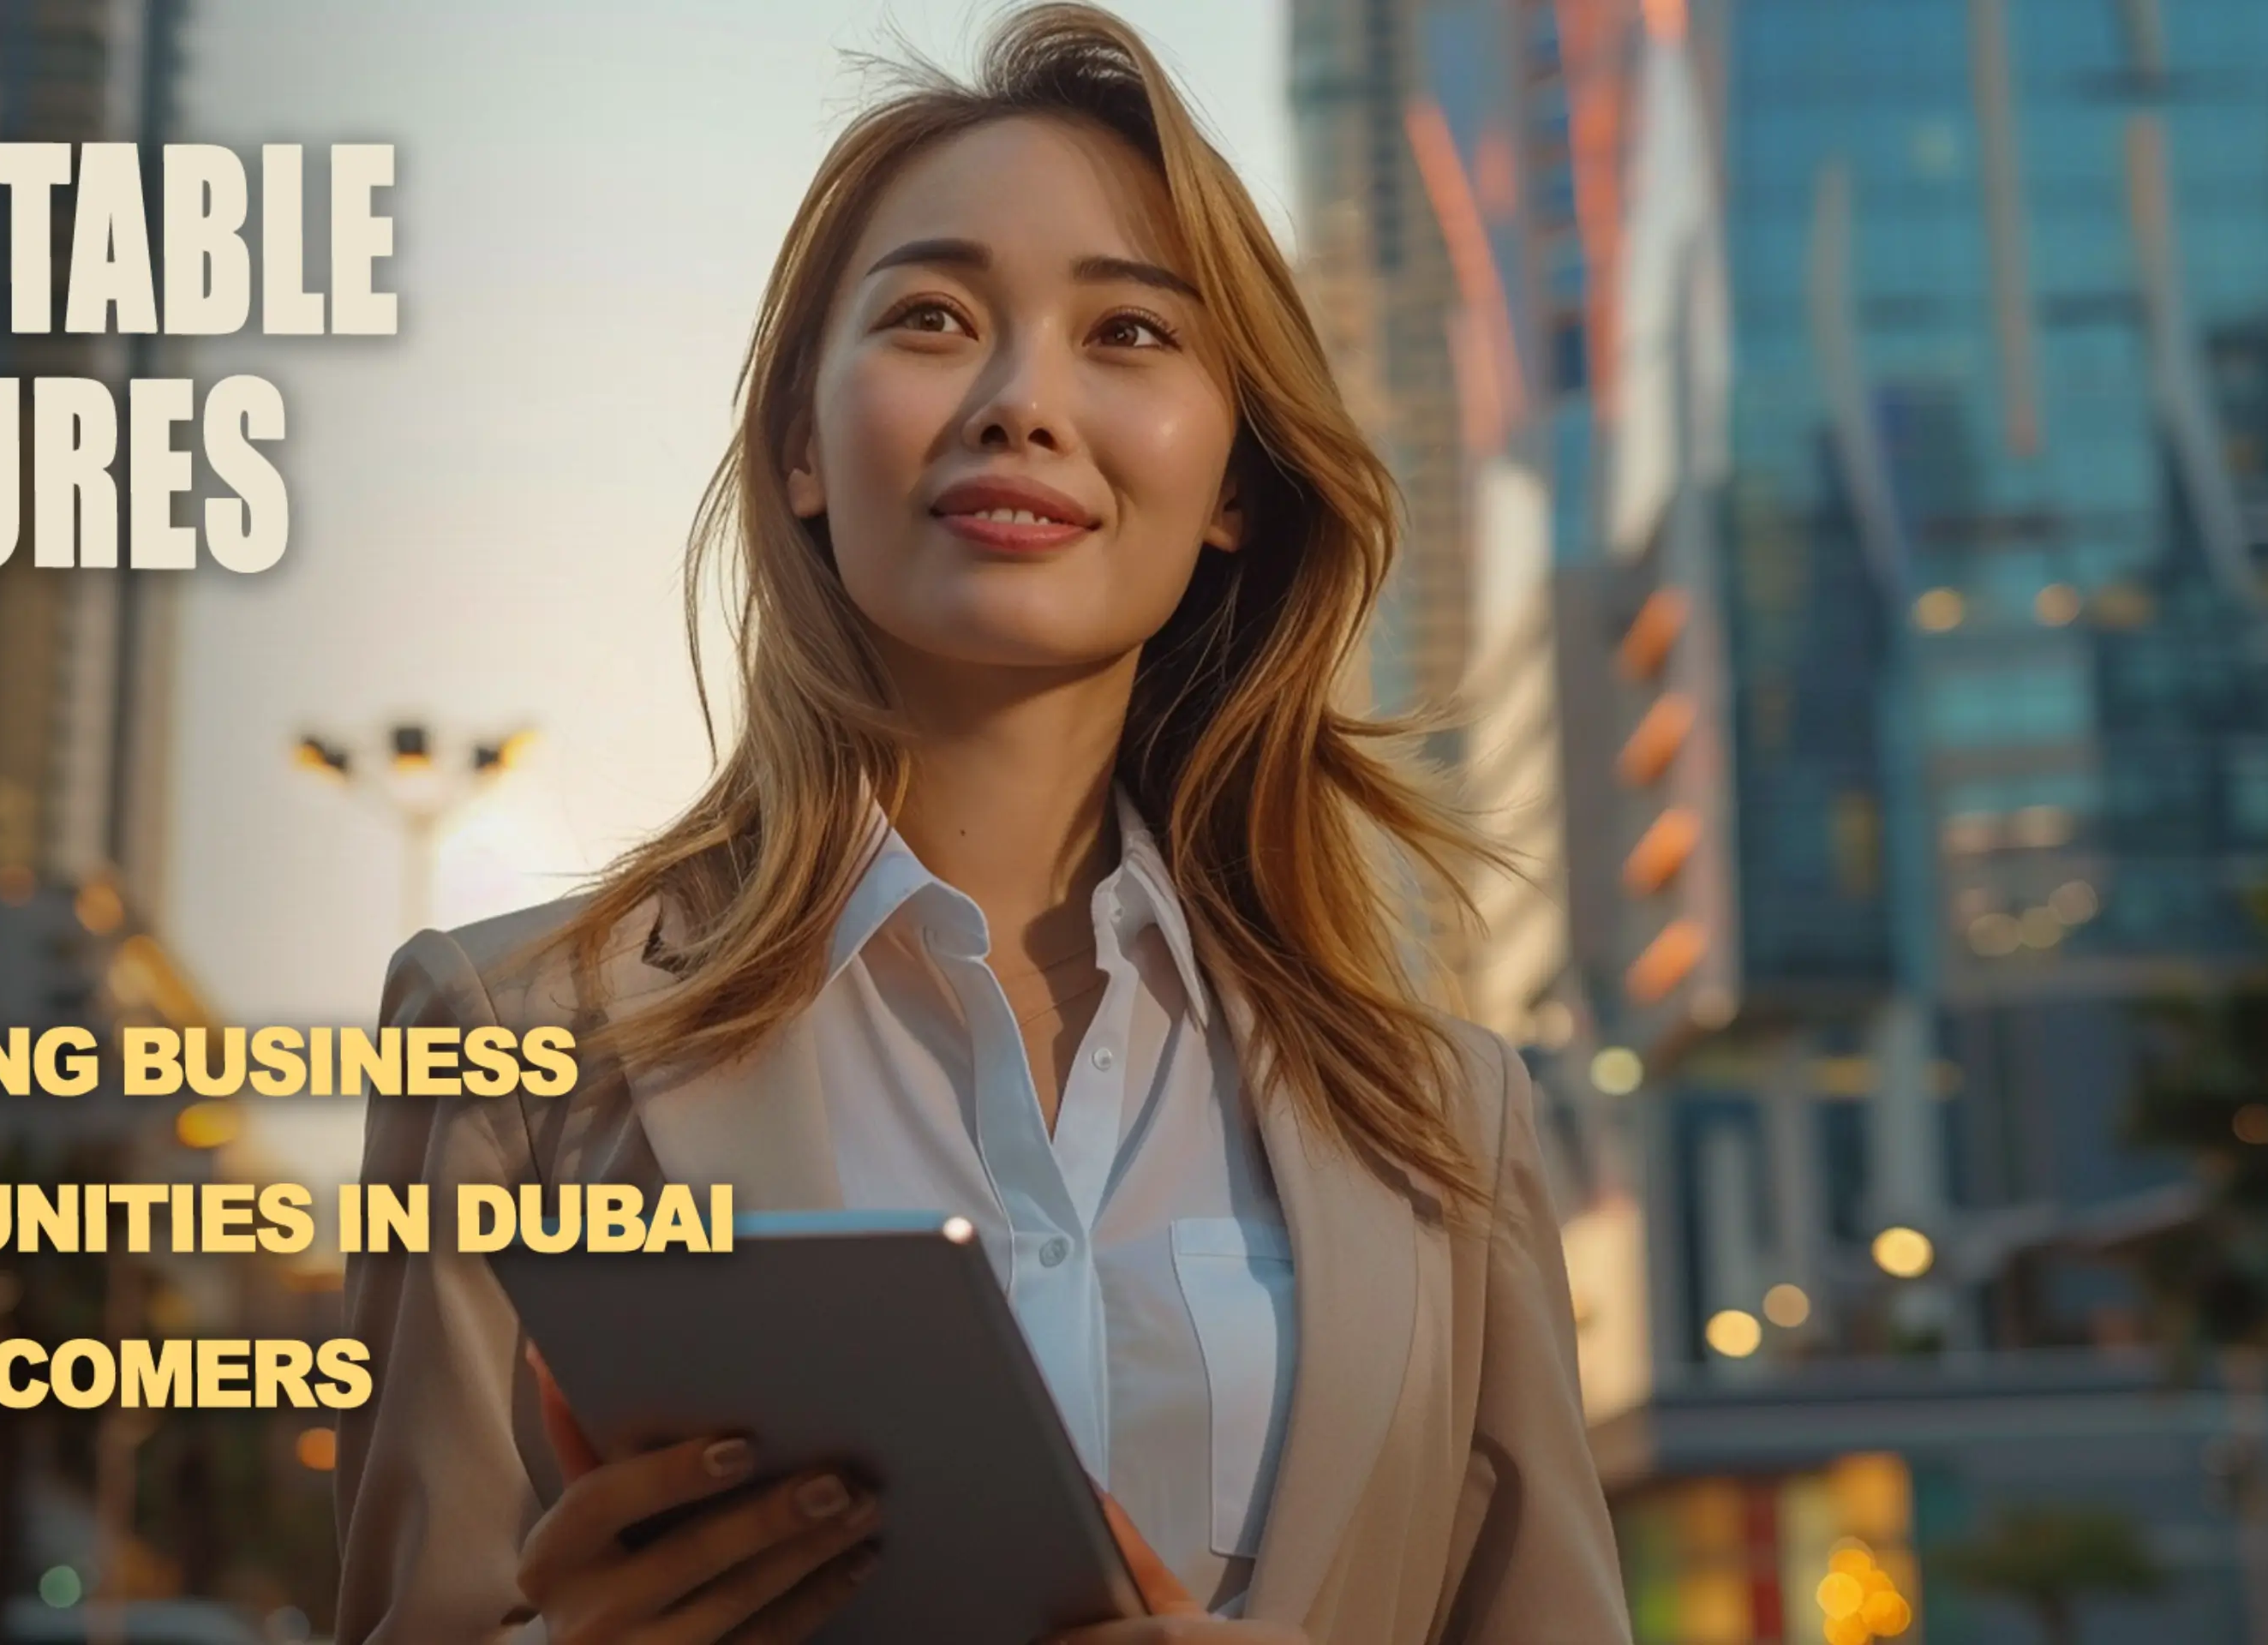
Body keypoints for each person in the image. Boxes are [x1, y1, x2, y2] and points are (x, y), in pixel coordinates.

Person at [333, 5, 1634, 1641]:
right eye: (936, 317)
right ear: (804, 446)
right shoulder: (508, 1038)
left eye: (1132, 335)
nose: (1023, 401)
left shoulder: (1447, 1122)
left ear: (1235, 482)